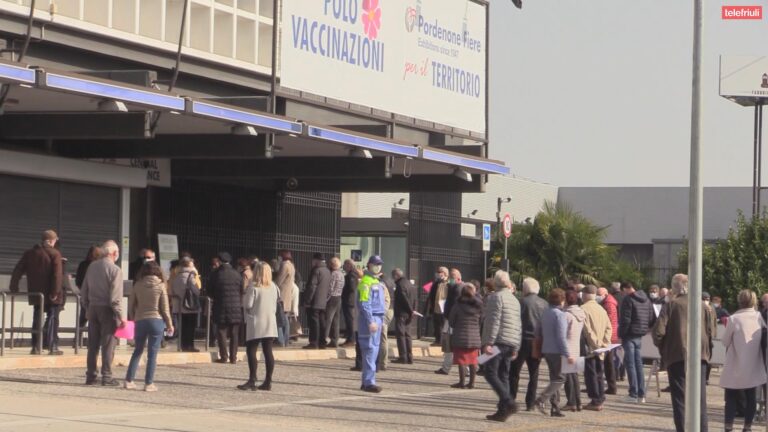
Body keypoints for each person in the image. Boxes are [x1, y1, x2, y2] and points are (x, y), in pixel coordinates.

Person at [652, 274, 711, 432]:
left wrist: (665, 349)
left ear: (675, 287)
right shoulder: (704, 306)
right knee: (700, 400)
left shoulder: (671, 305)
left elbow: (658, 332)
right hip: (700, 356)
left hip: (678, 355)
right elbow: (712, 331)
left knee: (680, 399)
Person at [9, 230, 64, 355]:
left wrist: (14, 286)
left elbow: (18, 269)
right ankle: (52, 346)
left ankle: (35, 346)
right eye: (55, 240)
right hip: (51, 293)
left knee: (37, 317)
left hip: (35, 293)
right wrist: (55, 291)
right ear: (51, 241)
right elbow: (57, 275)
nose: (56, 242)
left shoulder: (30, 253)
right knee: (53, 317)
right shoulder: (55, 254)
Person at [719, 289, 766, 432]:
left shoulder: (734, 319)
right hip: (754, 362)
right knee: (751, 395)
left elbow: (725, 341)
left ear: (739, 301)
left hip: (735, 362)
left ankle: (728, 426)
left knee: (731, 396)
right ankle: (747, 426)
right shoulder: (759, 317)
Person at [124, 261, 173, 392]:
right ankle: (148, 383)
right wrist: (169, 324)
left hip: (140, 320)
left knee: (137, 351)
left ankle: (129, 380)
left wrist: (134, 318)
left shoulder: (137, 284)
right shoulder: (161, 285)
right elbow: (165, 308)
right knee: (152, 354)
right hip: (156, 321)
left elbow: (131, 304)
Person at [481, 270, 522, 422]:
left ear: (496, 283)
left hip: (498, 341)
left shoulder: (495, 298)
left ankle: (508, 401)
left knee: (490, 372)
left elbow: (493, 321)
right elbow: (518, 324)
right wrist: (516, 346)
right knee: (504, 374)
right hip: (511, 341)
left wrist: (488, 343)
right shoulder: (514, 299)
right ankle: (502, 411)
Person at [81, 240, 124, 386]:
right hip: (107, 309)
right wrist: (121, 317)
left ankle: (91, 375)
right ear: (114, 253)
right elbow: (115, 298)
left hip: (93, 308)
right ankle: (107, 376)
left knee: (93, 345)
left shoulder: (92, 266)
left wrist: (87, 308)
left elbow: (84, 290)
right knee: (108, 344)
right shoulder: (115, 270)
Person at [238, 262, 279, 391]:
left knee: (251, 349)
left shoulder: (253, 287)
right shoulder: (274, 286)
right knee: (268, 351)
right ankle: (268, 380)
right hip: (270, 322)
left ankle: (252, 378)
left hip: (256, 321)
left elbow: (248, 304)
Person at [510, 277, 548, 411]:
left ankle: (511, 399)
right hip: (537, 341)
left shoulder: (520, 302)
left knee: (514, 372)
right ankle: (530, 403)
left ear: (525, 289)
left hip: (521, 340)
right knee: (534, 373)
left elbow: (515, 322)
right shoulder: (544, 303)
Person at [534, 288, 570, 418]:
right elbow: (561, 337)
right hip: (557, 350)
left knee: (554, 378)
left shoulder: (545, 312)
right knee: (560, 379)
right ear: (562, 300)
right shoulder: (559, 315)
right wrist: (567, 353)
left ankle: (555, 407)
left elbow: (537, 331)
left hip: (547, 349)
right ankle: (541, 399)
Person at [357, 255, 388, 393]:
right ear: (369, 265)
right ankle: (369, 382)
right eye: (375, 264)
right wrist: (371, 321)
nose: (378, 267)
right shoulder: (366, 282)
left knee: (374, 350)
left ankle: (367, 381)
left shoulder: (377, 282)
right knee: (370, 349)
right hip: (371, 319)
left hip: (378, 318)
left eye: (380, 264)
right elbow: (364, 304)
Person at [619, 281, 653, 403]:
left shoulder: (628, 300)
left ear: (626, 288)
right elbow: (651, 318)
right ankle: (641, 394)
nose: (622, 294)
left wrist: (621, 334)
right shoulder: (647, 299)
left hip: (629, 335)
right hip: (640, 335)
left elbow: (625, 319)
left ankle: (633, 393)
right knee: (639, 364)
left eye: (622, 291)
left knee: (630, 364)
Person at [581, 285, 612, 411]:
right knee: (599, 373)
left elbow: (586, 330)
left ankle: (595, 400)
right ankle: (600, 397)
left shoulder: (583, 309)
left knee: (591, 374)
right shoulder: (601, 309)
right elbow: (609, 327)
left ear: (584, 295)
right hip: (601, 348)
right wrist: (605, 342)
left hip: (591, 348)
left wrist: (596, 343)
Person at [209, 252, 243, 364]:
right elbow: (242, 290)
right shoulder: (237, 274)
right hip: (236, 306)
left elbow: (210, 291)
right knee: (234, 333)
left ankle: (224, 357)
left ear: (219, 261)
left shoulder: (216, 274)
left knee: (221, 331)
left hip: (221, 306)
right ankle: (233, 357)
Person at [448, 283, 483, 389]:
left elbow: (451, 321)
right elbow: (481, 321)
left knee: (461, 361)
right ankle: (472, 383)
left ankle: (462, 382)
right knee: (473, 361)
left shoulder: (457, 306)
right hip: (474, 337)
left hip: (460, 336)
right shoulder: (478, 306)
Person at [435, 268, 463, 375]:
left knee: (451, 345)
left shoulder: (458, 289)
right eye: (450, 276)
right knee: (449, 345)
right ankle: (446, 367)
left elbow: (454, 306)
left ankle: (450, 368)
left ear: (458, 278)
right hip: (450, 320)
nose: (451, 279)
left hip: (454, 322)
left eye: (453, 277)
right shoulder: (452, 287)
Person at [170, 256, 201, 352]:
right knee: (190, 327)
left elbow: (172, 289)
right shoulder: (191, 276)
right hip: (190, 306)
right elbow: (196, 291)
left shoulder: (176, 276)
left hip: (179, 306)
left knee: (183, 326)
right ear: (189, 264)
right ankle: (190, 345)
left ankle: (182, 345)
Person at [562, 289, 586, 412]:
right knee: (575, 376)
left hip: (568, 346)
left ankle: (571, 402)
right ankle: (578, 401)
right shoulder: (581, 313)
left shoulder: (566, 315)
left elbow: (562, 333)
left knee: (568, 377)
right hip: (577, 346)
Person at [304, 253, 332, 350]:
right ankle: (322, 342)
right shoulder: (328, 271)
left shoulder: (316, 271)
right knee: (322, 321)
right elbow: (330, 289)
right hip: (323, 302)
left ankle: (313, 342)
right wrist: (326, 298)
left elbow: (312, 286)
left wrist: (307, 300)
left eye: (313, 260)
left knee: (314, 322)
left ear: (316, 260)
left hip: (314, 301)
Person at [75, 245, 104, 330]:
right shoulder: (100, 266)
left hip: (85, 294)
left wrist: (82, 289)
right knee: (93, 318)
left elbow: (78, 280)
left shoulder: (83, 264)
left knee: (83, 317)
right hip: (95, 296)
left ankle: (78, 337)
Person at [597, 286, 620, 395]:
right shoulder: (609, 303)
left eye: (599, 294)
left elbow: (608, 322)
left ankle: (602, 386)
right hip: (611, 336)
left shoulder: (608, 304)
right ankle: (611, 386)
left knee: (604, 362)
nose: (597, 296)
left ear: (605, 295)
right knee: (608, 363)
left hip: (608, 337)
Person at [392, 268, 417, 364]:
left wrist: (410, 310)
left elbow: (404, 299)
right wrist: (413, 310)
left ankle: (403, 356)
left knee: (401, 335)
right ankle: (409, 357)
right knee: (407, 335)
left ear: (396, 276)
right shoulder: (409, 284)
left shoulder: (400, 285)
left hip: (402, 313)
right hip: (409, 313)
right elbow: (415, 298)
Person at [424, 267, 450, 346]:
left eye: (440, 272)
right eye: (438, 272)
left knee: (444, 325)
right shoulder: (436, 283)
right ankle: (438, 340)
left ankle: (443, 341)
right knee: (437, 325)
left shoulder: (449, 283)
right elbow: (431, 295)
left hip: (445, 307)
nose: (439, 274)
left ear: (445, 273)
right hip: (436, 307)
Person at [275, 253, 296, 347]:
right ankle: (286, 340)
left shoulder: (284, 265)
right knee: (285, 318)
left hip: (282, 295)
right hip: (288, 295)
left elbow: (279, 280)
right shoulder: (291, 265)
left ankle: (281, 340)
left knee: (280, 319)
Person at [324, 257, 344, 348]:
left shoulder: (333, 274)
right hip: (339, 297)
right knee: (336, 320)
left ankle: (324, 338)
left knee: (328, 319)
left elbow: (330, 288)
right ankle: (335, 340)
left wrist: (326, 299)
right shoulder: (341, 274)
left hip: (332, 298)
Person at [341, 259, 361, 347]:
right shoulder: (351, 274)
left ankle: (351, 339)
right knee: (349, 320)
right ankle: (349, 338)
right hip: (349, 301)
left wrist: (344, 290)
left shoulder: (351, 275)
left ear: (349, 265)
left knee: (350, 321)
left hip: (350, 301)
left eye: (345, 265)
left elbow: (352, 288)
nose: (343, 266)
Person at [702, 291, 718, 385]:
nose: (705, 301)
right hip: (702, 337)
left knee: (708, 358)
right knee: (704, 359)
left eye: (707, 299)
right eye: (703, 299)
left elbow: (714, 322)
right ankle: (703, 378)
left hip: (709, 337)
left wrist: (713, 334)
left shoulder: (711, 308)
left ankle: (706, 378)